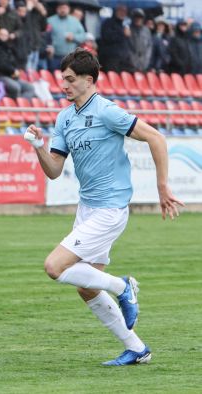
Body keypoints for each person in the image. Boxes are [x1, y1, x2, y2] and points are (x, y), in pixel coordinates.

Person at [23, 48, 184, 366]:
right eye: (62, 80)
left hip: (111, 209)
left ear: (89, 80)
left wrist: (162, 187)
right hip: (88, 209)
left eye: (70, 80)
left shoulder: (108, 111)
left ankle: (123, 286)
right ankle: (137, 349)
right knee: (85, 286)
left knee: (55, 267)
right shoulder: (65, 118)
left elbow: (157, 138)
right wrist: (39, 147)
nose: (64, 86)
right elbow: (54, 170)